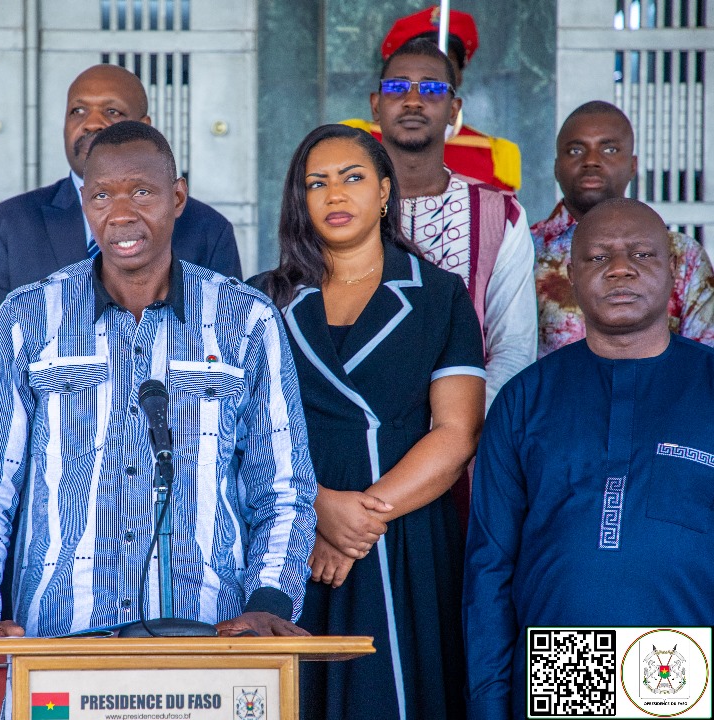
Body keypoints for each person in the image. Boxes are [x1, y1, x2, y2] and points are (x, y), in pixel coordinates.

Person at [0, 121, 317, 686]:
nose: (120, 213)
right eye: (100, 195)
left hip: (213, 647)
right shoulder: (29, 316)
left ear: (178, 198)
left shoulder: (244, 319)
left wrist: (270, 601)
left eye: (141, 191)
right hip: (61, 647)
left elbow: (284, 488)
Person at [250, 124, 484, 720]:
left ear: (384, 191)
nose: (335, 195)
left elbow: (457, 433)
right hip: (288, 544)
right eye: (317, 183)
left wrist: (358, 520)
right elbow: (236, 436)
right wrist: (318, 508)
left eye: (352, 178)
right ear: (299, 202)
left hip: (402, 536)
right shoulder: (259, 299)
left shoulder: (439, 295)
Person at [465, 198, 714, 720]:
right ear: (570, 278)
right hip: (564, 662)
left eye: (642, 254)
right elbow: (489, 570)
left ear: (673, 270)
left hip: (687, 654)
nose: (620, 268)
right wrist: (488, 706)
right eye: (598, 258)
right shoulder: (524, 400)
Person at [0, 63, 242, 335]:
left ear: (145, 128)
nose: (92, 123)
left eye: (112, 111)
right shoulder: (6, 226)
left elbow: (228, 340)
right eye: (78, 111)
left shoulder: (208, 229)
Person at [370, 38, 536, 413]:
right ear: (375, 105)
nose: (413, 100)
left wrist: (454, 432)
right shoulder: (339, 208)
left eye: (431, 88)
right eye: (397, 87)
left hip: (465, 444)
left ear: (453, 110)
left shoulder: (500, 214)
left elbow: (514, 349)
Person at [533, 100, 714, 356]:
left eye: (609, 149)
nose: (591, 161)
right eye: (575, 151)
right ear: (555, 167)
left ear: (632, 165)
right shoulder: (525, 248)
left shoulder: (682, 253)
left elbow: (705, 359)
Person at [342, 6, 522, 192]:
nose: (414, 100)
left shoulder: (492, 155)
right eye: (401, 84)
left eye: (436, 80)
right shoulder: (357, 142)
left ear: (458, 77)